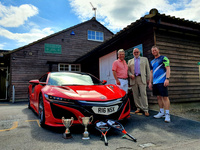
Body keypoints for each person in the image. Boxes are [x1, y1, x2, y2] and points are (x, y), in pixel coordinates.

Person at [148, 46, 171, 123]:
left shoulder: (164, 58)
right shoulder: (152, 62)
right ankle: (161, 112)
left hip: (162, 81)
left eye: (155, 50)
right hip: (155, 82)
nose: (154, 51)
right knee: (158, 97)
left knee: (165, 97)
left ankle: (167, 114)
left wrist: (167, 79)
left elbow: (168, 68)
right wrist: (150, 82)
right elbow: (151, 73)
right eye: (152, 50)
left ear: (158, 50)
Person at [128, 48, 150, 116]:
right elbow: (128, 71)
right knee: (135, 95)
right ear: (133, 53)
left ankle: (145, 109)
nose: (136, 53)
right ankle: (138, 108)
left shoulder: (145, 59)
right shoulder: (130, 61)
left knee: (143, 94)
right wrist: (130, 75)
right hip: (133, 79)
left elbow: (148, 70)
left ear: (139, 52)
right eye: (135, 52)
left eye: (137, 52)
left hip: (142, 78)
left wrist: (148, 79)